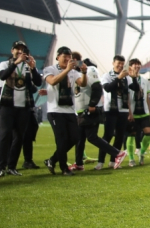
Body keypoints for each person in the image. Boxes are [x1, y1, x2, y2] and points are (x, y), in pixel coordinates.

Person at [0, 41, 43, 178]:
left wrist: (33, 68)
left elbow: (37, 83)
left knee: (19, 138)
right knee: (5, 136)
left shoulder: (28, 66)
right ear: (12, 51)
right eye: (17, 49)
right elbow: (3, 76)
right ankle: (0, 167)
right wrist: (16, 63)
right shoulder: (5, 64)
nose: (20, 52)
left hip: (24, 106)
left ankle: (12, 167)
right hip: (7, 105)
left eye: (23, 50)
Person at [71, 54, 125, 171]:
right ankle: (79, 163)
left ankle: (117, 153)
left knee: (92, 137)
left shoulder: (90, 69)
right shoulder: (76, 73)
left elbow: (97, 88)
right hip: (80, 111)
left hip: (90, 110)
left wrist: (92, 104)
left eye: (72, 59)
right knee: (79, 139)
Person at [42, 47, 91, 175]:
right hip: (55, 110)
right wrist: (67, 70)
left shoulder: (74, 72)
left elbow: (83, 84)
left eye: (69, 57)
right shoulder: (50, 69)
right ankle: (64, 168)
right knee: (61, 139)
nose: (67, 59)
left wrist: (84, 72)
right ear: (58, 57)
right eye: (65, 57)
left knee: (75, 138)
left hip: (70, 110)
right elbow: (52, 81)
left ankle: (52, 160)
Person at [96, 55, 131, 169]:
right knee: (108, 135)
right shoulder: (107, 76)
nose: (120, 65)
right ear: (113, 63)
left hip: (123, 109)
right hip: (111, 109)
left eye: (122, 63)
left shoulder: (128, 77)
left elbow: (131, 92)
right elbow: (107, 88)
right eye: (118, 63)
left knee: (120, 136)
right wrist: (118, 78)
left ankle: (113, 161)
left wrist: (129, 111)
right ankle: (100, 161)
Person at [126, 58, 150, 166]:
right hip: (133, 112)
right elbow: (127, 97)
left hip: (144, 112)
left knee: (149, 133)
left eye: (138, 65)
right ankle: (131, 159)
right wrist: (129, 113)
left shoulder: (145, 80)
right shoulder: (127, 79)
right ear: (130, 67)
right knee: (131, 135)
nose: (137, 66)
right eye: (134, 65)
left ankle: (141, 153)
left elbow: (147, 96)